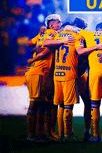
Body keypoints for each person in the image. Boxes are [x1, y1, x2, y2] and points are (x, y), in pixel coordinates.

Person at [25, 14, 62, 142]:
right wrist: (33, 58)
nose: (60, 24)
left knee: (41, 103)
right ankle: (31, 135)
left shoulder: (42, 34)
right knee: (35, 103)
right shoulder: (52, 33)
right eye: (58, 22)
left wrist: (35, 47)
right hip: (38, 71)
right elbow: (47, 50)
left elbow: (29, 43)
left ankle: (39, 135)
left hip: (39, 71)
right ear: (51, 25)